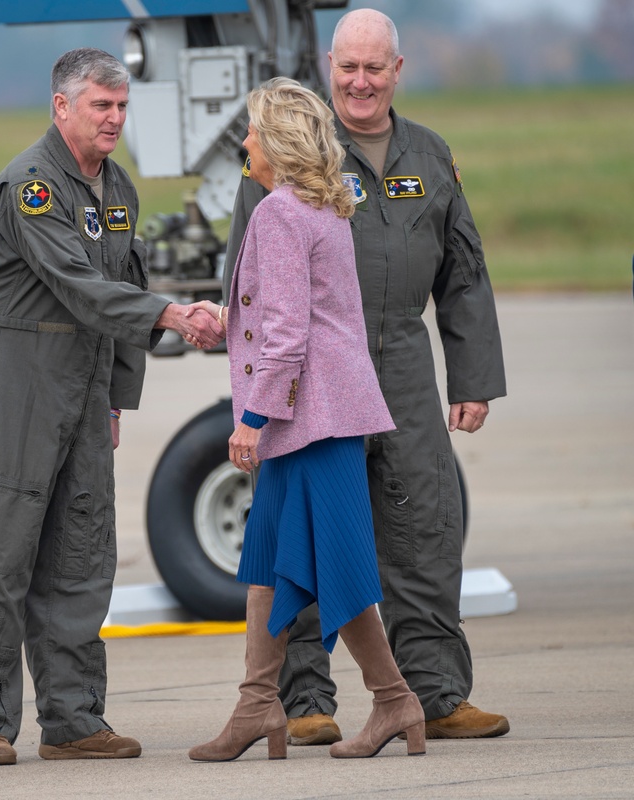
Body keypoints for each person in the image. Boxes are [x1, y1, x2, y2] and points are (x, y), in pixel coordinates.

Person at [223, 9, 509, 747]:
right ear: (328, 66)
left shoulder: (429, 155)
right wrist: (254, 401)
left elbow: (465, 273)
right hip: (312, 375)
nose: (359, 82)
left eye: (373, 68)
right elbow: (250, 287)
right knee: (308, 530)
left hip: (403, 366)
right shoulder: (295, 152)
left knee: (425, 530)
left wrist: (470, 376)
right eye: (347, 67)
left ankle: (438, 694)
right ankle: (307, 701)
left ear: (396, 71)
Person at [0, 47, 223, 767]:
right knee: (2, 548)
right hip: (16, 377)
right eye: (100, 106)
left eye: (122, 106)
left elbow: (119, 295)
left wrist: (117, 403)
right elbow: (80, 286)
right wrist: (172, 314)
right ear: (61, 106)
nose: (114, 119)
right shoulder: (31, 186)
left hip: (84, 384)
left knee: (80, 549)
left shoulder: (119, 189)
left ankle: (73, 719)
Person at [188, 78, 424, 763]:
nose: (245, 144)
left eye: (253, 133)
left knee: (338, 565)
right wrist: (228, 320)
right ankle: (258, 705)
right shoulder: (324, 206)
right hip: (322, 409)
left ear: (279, 144)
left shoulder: (281, 214)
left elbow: (291, 333)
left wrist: (252, 418)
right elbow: (312, 315)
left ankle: (392, 700)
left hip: (309, 415)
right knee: (267, 555)